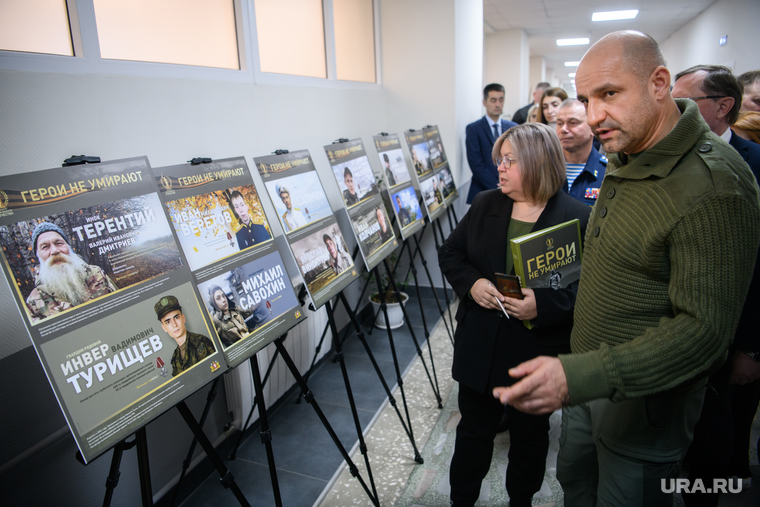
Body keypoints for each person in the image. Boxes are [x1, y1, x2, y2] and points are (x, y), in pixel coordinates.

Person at [492, 31, 760, 506]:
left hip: (643, 406)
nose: (593, 117)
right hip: (585, 383)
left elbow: (703, 334)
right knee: (576, 484)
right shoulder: (627, 149)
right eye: (585, 99)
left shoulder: (715, 185)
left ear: (659, 83)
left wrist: (582, 375)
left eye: (609, 94)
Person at [439, 122, 591, 507]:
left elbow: (586, 291)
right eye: (499, 160)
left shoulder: (577, 217)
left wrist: (542, 304)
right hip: (481, 346)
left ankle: (520, 500)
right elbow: (450, 253)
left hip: (536, 350)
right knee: (473, 433)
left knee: (530, 438)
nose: (499, 169)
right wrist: (472, 285)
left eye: (509, 161)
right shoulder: (487, 203)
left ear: (538, 163)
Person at [672, 64, 760, 505]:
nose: (672, 111)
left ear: (723, 106)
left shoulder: (756, 166)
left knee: (714, 439)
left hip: (728, 339)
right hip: (672, 333)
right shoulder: (670, 159)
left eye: (683, 102)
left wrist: (750, 347)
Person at [26, 222, 117, 321]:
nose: (55, 251)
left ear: (68, 247)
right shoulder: (35, 301)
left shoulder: (96, 273)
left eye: (59, 243)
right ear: (38, 256)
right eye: (45, 247)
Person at [465, 83, 518, 203]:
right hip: (483, 190)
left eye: (501, 100)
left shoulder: (513, 128)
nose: (498, 104)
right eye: (493, 100)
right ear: (484, 102)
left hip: (510, 190)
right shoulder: (474, 129)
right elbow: (476, 164)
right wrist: (497, 186)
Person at [556, 98, 607, 205]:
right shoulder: (546, 168)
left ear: (593, 127)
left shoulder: (607, 172)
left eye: (573, 123)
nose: (563, 129)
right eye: (560, 123)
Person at [155, 295, 216, 377]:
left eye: (176, 317)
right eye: (168, 322)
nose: (174, 325)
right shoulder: (175, 356)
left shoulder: (202, 342)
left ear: (183, 318)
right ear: (164, 328)